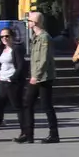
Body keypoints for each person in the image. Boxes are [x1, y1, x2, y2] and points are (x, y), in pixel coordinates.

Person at [20, 9, 59, 144]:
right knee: (27, 103)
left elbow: (44, 59)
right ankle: (28, 134)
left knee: (46, 105)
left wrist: (36, 76)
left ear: (35, 22)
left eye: (29, 21)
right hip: (36, 76)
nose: (27, 23)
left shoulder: (44, 37)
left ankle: (54, 135)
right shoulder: (35, 37)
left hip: (43, 77)